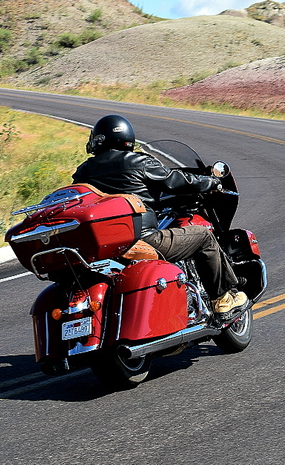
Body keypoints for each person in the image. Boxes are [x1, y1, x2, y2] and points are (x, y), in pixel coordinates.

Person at [72, 114, 248, 318]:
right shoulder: (138, 161)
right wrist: (211, 182)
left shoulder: (83, 172)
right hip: (143, 240)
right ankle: (223, 299)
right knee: (204, 237)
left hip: (104, 246)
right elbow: (175, 180)